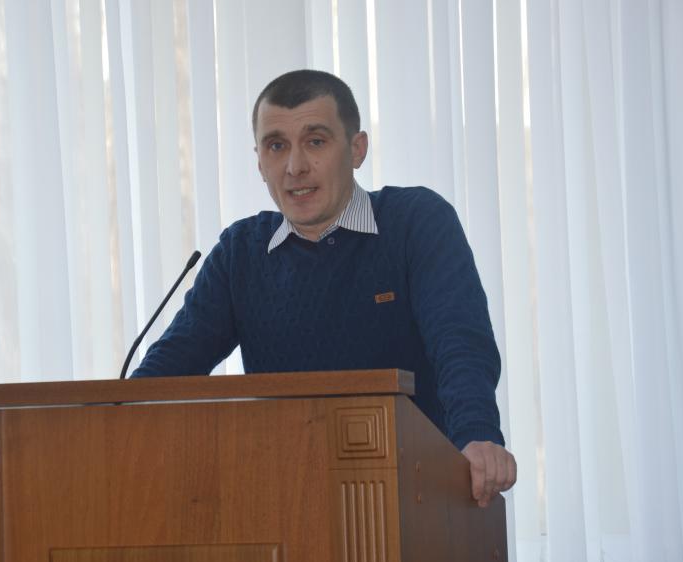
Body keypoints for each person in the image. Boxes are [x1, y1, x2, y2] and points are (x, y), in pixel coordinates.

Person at [131, 69, 516, 507]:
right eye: (276, 146)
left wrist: (477, 434)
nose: (295, 167)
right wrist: (113, 419)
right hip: (285, 504)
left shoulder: (414, 221)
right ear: (259, 162)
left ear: (357, 149)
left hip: (418, 499)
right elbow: (167, 371)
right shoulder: (241, 251)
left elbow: (459, 342)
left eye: (315, 141)